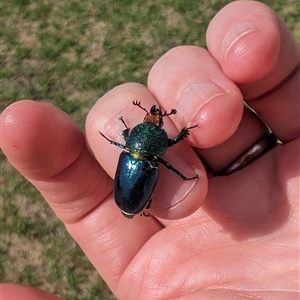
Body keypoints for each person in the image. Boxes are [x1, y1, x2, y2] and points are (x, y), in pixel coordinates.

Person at [1, 1, 299, 299]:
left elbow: (149, 141)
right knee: (162, 165)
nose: (154, 119)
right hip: (135, 186)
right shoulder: (153, 152)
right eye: (151, 122)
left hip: (131, 178)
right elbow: (169, 143)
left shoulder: (131, 148)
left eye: (155, 122)